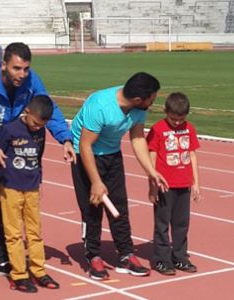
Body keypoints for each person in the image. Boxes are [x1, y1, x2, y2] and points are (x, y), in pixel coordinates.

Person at [0, 42, 75, 286]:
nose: (22, 74)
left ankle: (2, 258)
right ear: (4, 64)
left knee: (1, 199)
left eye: (26, 69)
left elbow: (49, 108)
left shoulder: (31, 81)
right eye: (17, 68)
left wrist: (65, 138)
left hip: (3, 143)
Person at [70, 72, 168, 281]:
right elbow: (85, 144)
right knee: (92, 208)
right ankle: (93, 256)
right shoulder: (100, 105)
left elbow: (137, 138)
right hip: (85, 154)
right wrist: (96, 182)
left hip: (112, 154)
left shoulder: (138, 108)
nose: (153, 103)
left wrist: (151, 172)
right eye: (152, 99)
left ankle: (126, 254)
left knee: (120, 207)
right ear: (138, 99)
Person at [0, 95, 61, 293]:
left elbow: (38, 157)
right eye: (35, 123)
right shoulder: (10, 129)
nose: (37, 127)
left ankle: (38, 271)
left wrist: (40, 181)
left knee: (35, 232)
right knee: (14, 233)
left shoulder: (41, 131)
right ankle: (18, 275)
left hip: (32, 188)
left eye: (41, 125)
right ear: (27, 112)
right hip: (10, 187)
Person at [146, 92, 201, 276]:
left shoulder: (189, 128)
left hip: (184, 184)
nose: (177, 123)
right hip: (164, 186)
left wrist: (196, 183)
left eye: (181, 119)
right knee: (162, 224)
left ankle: (180, 256)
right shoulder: (158, 129)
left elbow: (192, 155)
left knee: (181, 224)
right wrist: (152, 186)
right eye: (173, 119)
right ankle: (162, 259)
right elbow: (151, 157)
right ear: (165, 111)